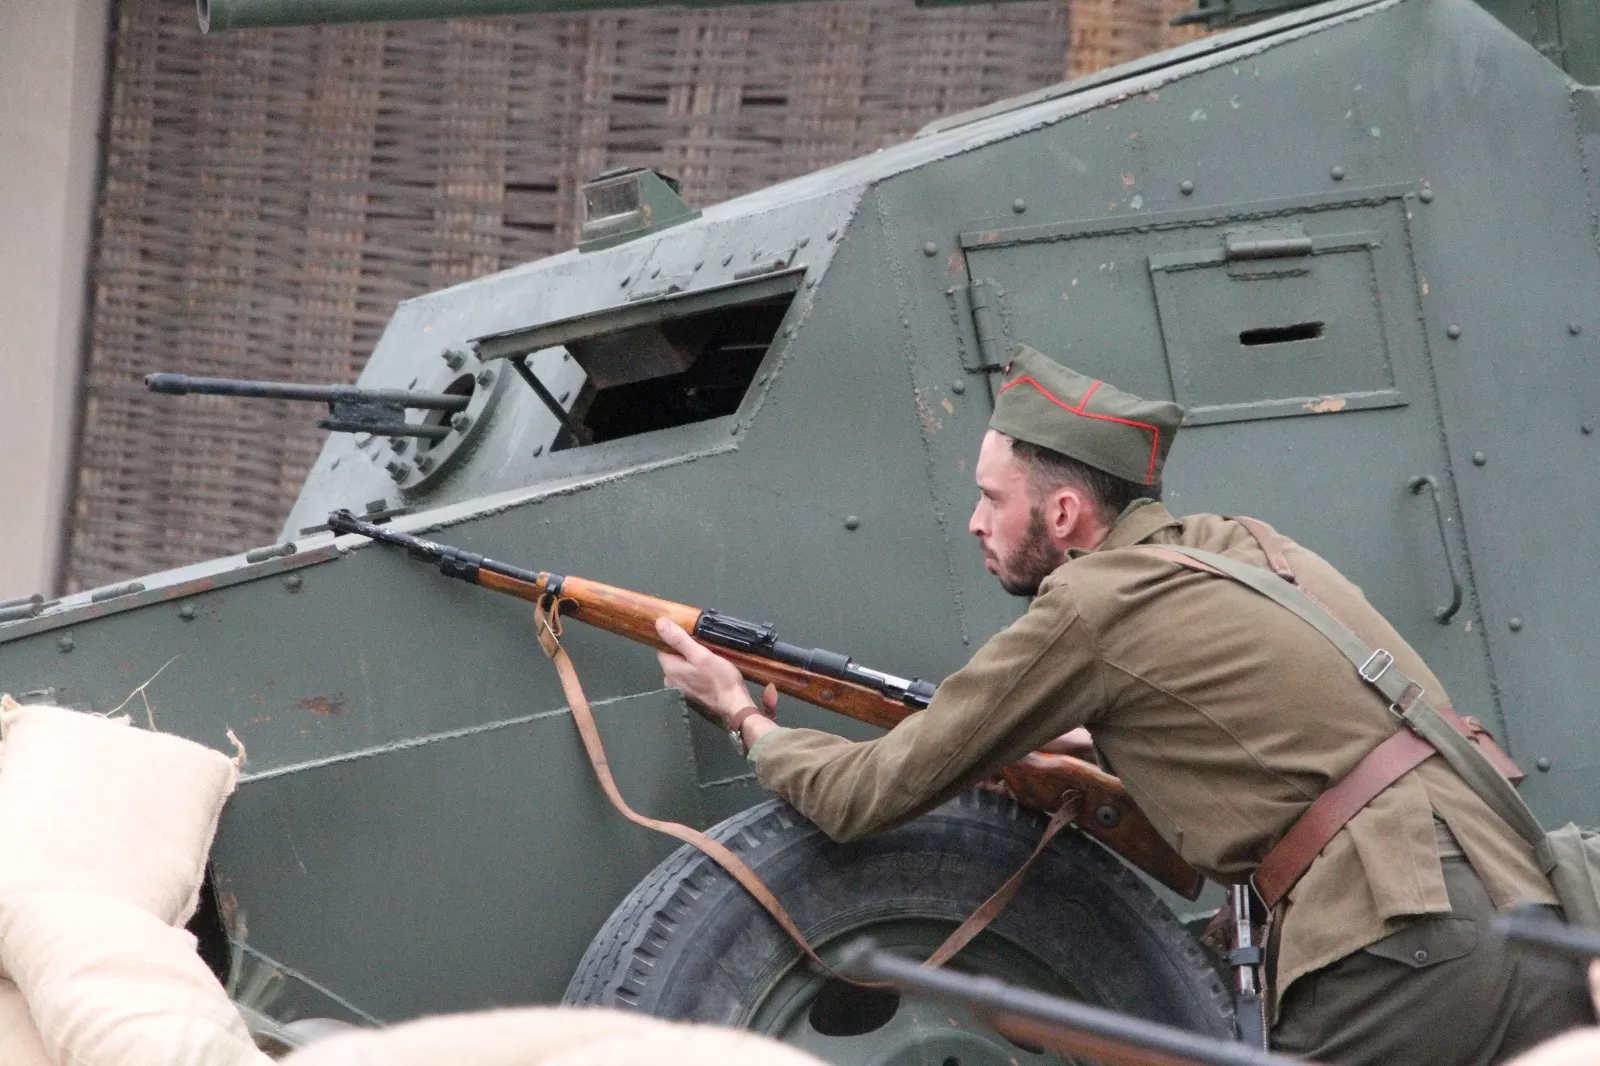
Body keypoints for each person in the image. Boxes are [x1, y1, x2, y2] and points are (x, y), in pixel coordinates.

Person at [654, 344, 1594, 1066]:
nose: (978, 523)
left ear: (1062, 516)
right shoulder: (1244, 545)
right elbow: (1271, 727)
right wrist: (1092, 737)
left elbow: (864, 796)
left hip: (1402, 948)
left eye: (992, 498)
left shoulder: (1091, 606)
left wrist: (747, 717)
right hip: (1530, 905)